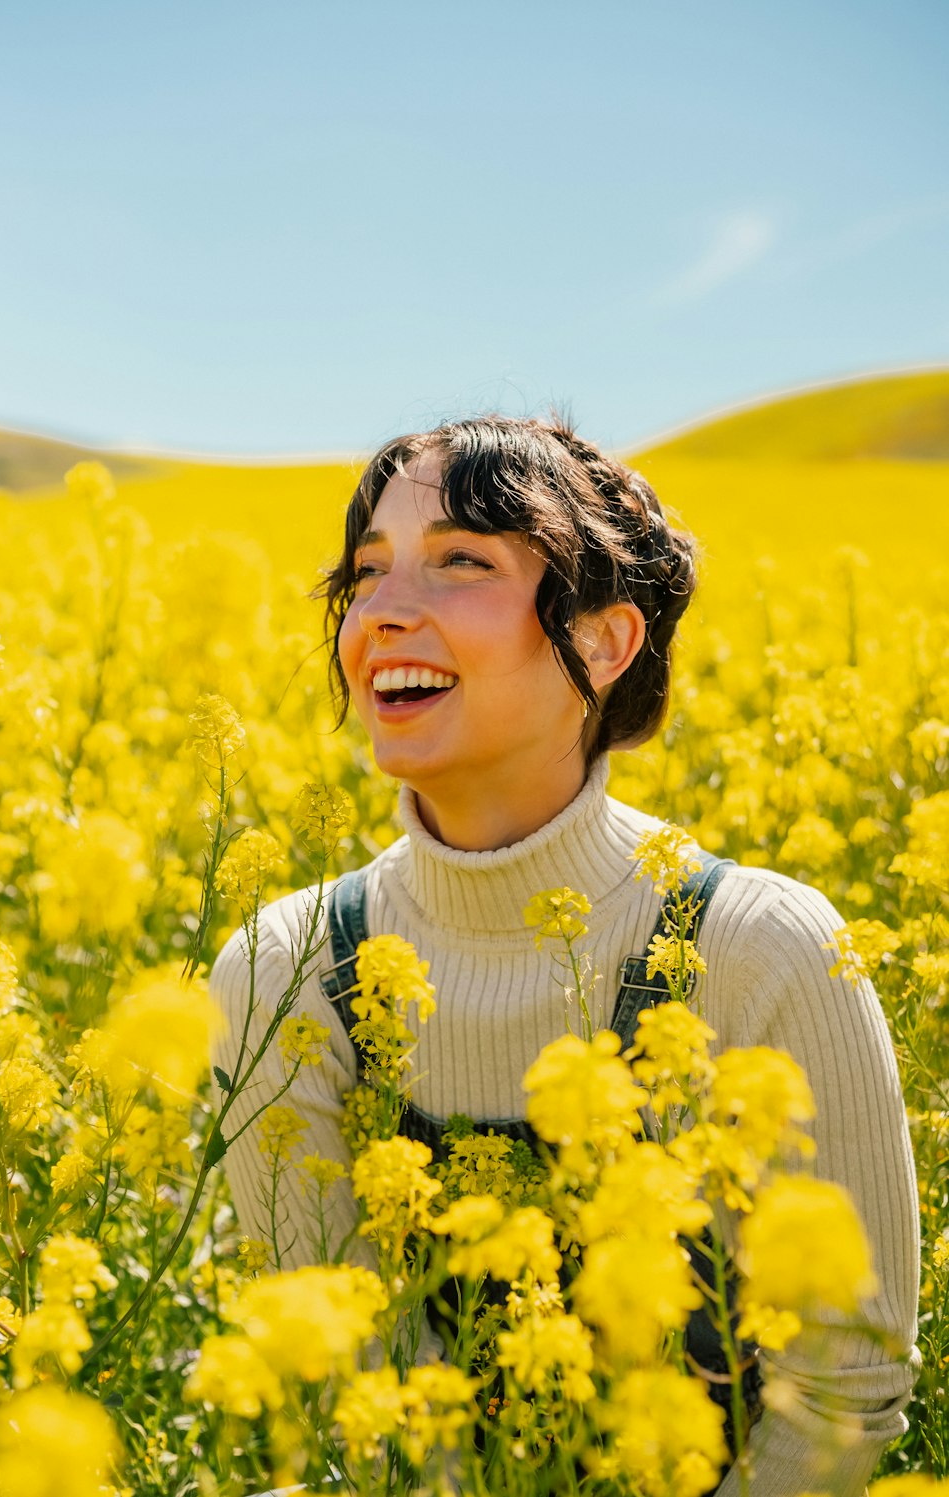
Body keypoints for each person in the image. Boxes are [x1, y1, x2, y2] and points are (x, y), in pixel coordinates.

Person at [210, 414, 920, 1496]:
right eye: (365, 573)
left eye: (460, 561)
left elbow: (840, 1393)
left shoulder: (762, 953)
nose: (384, 610)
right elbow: (341, 1378)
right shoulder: (282, 971)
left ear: (603, 641)